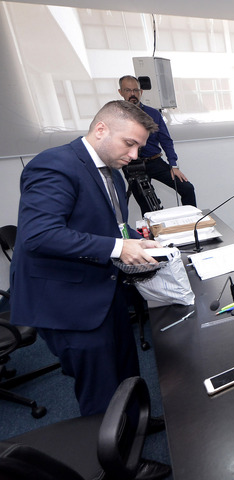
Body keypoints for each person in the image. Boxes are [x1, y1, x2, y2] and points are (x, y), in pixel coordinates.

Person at [11, 100, 171, 478]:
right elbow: (40, 235)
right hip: (66, 300)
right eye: (130, 144)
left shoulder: (112, 172)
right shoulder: (55, 165)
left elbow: (108, 228)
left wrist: (134, 242)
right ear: (101, 130)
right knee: (99, 387)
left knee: (125, 365)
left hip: (104, 287)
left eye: (139, 147)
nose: (134, 155)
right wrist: (118, 248)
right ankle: (117, 465)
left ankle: (134, 420)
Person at [118, 75, 196, 214]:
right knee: (148, 206)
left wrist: (173, 165)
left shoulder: (153, 114)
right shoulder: (116, 116)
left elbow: (166, 140)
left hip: (154, 161)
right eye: (128, 90)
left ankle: (193, 220)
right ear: (121, 92)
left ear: (141, 92)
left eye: (136, 90)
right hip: (132, 165)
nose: (132, 94)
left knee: (187, 188)